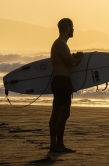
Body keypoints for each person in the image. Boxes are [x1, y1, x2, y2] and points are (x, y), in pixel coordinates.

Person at [49, 18, 83, 152]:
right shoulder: (61, 44)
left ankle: (53, 144)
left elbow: (67, 60)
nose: (74, 29)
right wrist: (80, 57)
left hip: (59, 82)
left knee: (56, 113)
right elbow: (72, 63)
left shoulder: (59, 44)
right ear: (68, 28)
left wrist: (73, 57)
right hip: (62, 82)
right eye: (72, 26)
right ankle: (59, 145)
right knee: (64, 114)